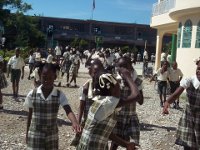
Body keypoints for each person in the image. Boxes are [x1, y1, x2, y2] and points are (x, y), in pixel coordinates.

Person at [77, 59, 140, 150]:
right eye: (117, 87)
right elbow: (136, 95)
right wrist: (128, 76)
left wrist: (126, 144)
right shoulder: (108, 103)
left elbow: (105, 132)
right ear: (112, 89)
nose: (120, 91)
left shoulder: (99, 101)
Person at [24, 63, 81, 149]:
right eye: (44, 77)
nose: (47, 80)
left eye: (50, 78)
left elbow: (68, 110)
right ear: (39, 75)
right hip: (35, 133)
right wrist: (27, 133)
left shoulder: (59, 94)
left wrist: (74, 122)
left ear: (55, 77)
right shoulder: (32, 94)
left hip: (52, 134)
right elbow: (30, 114)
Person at [163, 59, 200, 150]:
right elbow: (177, 93)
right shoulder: (189, 80)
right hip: (188, 119)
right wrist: (167, 102)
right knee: (187, 144)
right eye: (198, 68)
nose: (199, 71)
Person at [111, 56, 144, 150]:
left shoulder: (137, 81)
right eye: (120, 67)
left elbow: (141, 101)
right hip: (117, 116)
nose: (123, 69)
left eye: (125, 66)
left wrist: (130, 81)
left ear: (131, 67)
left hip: (131, 117)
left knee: (134, 143)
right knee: (115, 142)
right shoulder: (115, 80)